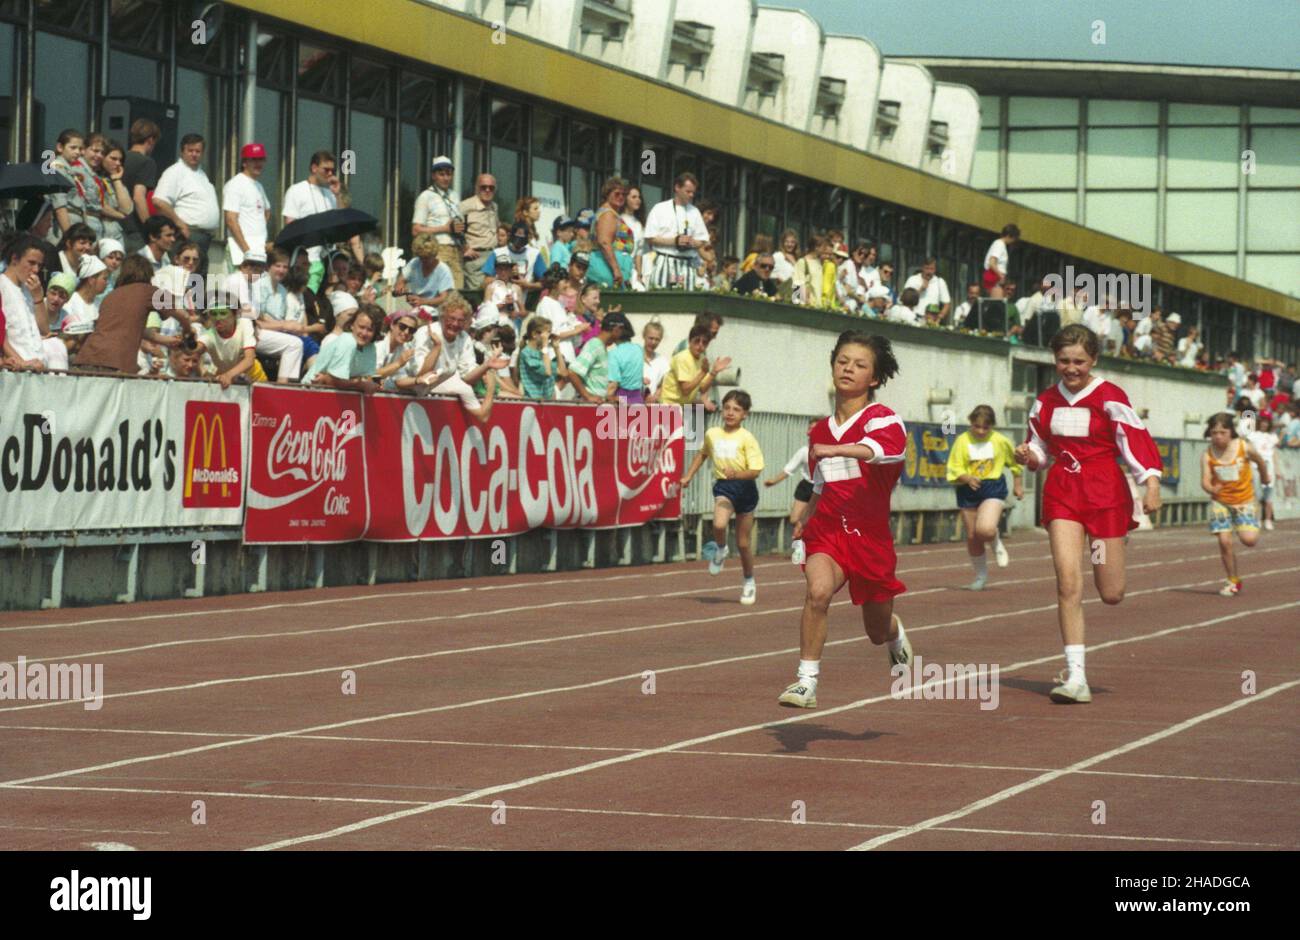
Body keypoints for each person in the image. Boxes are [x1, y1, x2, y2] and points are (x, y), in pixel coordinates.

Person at [1014, 324, 1163, 704]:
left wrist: (1151, 483)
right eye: (1064, 360)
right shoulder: (1045, 400)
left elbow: (1135, 441)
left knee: (1111, 592)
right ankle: (1075, 676)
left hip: (1105, 495)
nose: (1071, 368)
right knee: (1067, 583)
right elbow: (1040, 448)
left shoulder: (1110, 396)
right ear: (1055, 360)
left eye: (1079, 361)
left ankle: (1109, 544)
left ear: (1093, 359)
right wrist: (1029, 456)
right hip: (1063, 494)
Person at [777, 332, 912, 708]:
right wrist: (804, 517)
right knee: (817, 592)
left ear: (875, 378)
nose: (848, 369)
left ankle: (895, 634)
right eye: (842, 361)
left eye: (859, 365)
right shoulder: (819, 430)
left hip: (869, 538)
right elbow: (820, 481)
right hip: (830, 531)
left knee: (875, 629)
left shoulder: (883, 419)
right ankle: (806, 682)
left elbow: (883, 452)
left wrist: (838, 447)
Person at [681, 390, 765, 604]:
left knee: (744, 544)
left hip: (745, 489)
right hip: (724, 487)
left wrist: (737, 473)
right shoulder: (712, 433)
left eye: (736, 410)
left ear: (745, 414)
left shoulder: (747, 438)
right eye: (727, 408)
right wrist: (688, 476)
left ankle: (748, 582)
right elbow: (703, 454)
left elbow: (756, 470)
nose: (730, 413)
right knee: (719, 524)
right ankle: (720, 548)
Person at [946, 405, 1024, 590]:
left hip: (992, 487)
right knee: (973, 536)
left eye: (985, 427)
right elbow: (953, 467)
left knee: (985, 530)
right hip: (968, 489)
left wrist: (1018, 486)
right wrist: (966, 477)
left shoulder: (1000, 441)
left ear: (992, 426)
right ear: (971, 423)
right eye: (976, 426)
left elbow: (1014, 464)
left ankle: (995, 539)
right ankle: (980, 576)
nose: (980, 431)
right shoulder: (962, 441)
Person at [1202, 412, 1271, 596]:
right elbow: (1205, 480)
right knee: (1224, 541)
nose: (1218, 436)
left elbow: (1260, 461)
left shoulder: (1243, 447)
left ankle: (1252, 524)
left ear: (1231, 432)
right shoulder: (1208, 454)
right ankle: (1232, 579)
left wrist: (1265, 476)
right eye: (1214, 432)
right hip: (1221, 502)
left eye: (1222, 432)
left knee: (1249, 540)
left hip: (1244, 500)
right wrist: (1211, 489)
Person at [410, 293, 503, 421]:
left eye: (460, 321)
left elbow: (467, 377)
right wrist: (437, 348)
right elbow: (420, 376)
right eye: (451, 318)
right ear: (442, 317)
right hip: (413, 392)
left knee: (464, 388)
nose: (455, 324)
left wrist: (487, 365)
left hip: (438, 394)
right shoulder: (426, 333)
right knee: (463, 389)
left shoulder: (464, 338)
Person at [283, 150, 364, 292]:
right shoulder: (297, 190)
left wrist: (338, 194)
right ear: (314, 168)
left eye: (332, 171)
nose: (330, 174)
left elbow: (342, 222)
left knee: (322, 304)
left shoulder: (330, 195)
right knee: (305, 299)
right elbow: (290, 224)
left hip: (326, 260)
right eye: (326, 170)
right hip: (306, 259)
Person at [151, 134, 221, 278]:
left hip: (204, 238)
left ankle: (194, 302)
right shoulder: (175, 172)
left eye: (198, 151)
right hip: (186, 236)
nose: (194, 154)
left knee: (197, 283)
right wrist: (180, 224)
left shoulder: (201, 174)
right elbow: (159, 201)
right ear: (182, 151)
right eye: (190, 150)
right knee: (180, 280)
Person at [643, 172, 709, 289]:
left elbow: (703, 240)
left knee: (685, 301)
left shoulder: (695, 212)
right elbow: (650, 237)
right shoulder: (660, 208)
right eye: (688, 191)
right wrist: (675, 241)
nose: (691, 195)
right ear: (677, 187)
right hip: (665, 260)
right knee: (661, 298)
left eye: (693, 192)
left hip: (687, 263)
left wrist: (692, 242)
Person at [411, 155, 466, 287]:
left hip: (456, 250)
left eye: (449, 174)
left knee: (457, 291)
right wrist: (444, 229)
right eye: (441, 174)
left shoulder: (454, 195)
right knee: (438, 290)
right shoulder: (426, 196)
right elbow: (416, 230)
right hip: (437, 250)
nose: (446, 178)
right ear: (434, 176)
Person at [0, 235, 51, 370]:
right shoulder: (2, 285)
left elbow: (45, 330)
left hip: (37, 364)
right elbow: (1, 335)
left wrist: (38, 298)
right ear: (15, 258)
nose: (36, 270)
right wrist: (21, 363)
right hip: (15, 367)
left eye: (39, 265)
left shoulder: (30, 290)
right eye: (31, 263)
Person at [303, 305, 380, 393]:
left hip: (337, 395)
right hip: (310, 391)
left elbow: (362, 379)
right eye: (361, 327)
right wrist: (360, 384)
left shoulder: (371, 348)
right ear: (352, 325)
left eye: (370, 330)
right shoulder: (348, 341)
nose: (364, 333)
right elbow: (333, 380)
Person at [223, 142, 273, 269]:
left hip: (258, 249)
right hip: (240, 251)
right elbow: (230, 220)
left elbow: (267, 212)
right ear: (244, 162)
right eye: (254, 160)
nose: (258, 163)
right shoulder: (235, 184)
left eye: (261, 159)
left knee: (256, 287)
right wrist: (246, 250)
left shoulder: (258, 185)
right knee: (238, 287)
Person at [764, 416, 820, 527]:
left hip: (822, 489)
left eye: (814, 429)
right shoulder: (804, 451)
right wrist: (773, 481)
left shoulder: (830, 451)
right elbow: (789, 469)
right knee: (795, 519)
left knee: (817, 520)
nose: (809, 432)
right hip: (807, 486)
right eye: (809, 428)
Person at [660, 323, 730, 406]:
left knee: (699, 414)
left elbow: (703, 389)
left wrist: (713, 372)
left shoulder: (702, 358)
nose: (700, 345)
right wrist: (703, 373)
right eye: (697, 341)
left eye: (704, 342)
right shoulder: (682, 358)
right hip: (668, 404)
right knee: (697, 412)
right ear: (690, 341)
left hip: (684, 405)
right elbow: (685, 390)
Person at [567, 310, 630, 403]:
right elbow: (572, 372)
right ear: (616, 329)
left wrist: (610, 398)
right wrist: (587, 396)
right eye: (622, 331)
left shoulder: (602, 348)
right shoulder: (594, 345)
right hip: (589, 409)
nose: (622, 336)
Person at [120, 119, 161, 255]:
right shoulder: (147, 162)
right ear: (150, 140)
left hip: (116, 224)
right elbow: (139, 197)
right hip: (134, 229)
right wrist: (149, 228)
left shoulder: (119, 158)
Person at [198, 303, 263, 387]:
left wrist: (228, 375)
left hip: (255, 378)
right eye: (213, 314)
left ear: (235, 314)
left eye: (223, 313)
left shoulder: (245, 323)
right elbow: (194, 351)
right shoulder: (209, 334)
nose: (218, 318)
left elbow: (249, 360)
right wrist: (204, 372)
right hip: (225, 381)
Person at [589, 177, 635, 289]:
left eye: (623, 194)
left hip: (610, 265)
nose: (621, 197)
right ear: (607, 194)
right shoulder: (608, 214)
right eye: (617, 194)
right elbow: (604, 242)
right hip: (606, 268)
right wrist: (616, 269)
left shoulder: (610, 212)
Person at [458, 174, 500, 290]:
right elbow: (455, 231)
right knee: (478, 293)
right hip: (475, 257)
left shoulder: (494, 207)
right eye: (484, 187)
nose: (487, 190)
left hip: (493, 256)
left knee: (493, 293)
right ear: (476, 188)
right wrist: (465, 248)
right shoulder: (465, 206)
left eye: (491, 188)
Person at [395, 233, 455, 310]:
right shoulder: (414, 262)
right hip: (415, 309)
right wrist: (399, 286)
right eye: (421, 257)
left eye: (426, 258)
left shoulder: (443, 270)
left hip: (436, 311)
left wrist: (423, 301)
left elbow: (444, 298)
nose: (423, 261)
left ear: (434, 254)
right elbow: (401, 279)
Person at [518, 315, 568, 400]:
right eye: (547, 333)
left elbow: (563, 373)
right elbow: (547, 372)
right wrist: (545, 345)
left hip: (547, 400)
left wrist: (556, 348)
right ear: (534, 334)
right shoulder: (526, 353)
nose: (549, 337)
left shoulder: (543, 354)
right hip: (533, 400)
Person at [1246, 412, 1279, 531]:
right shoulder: (1253, 435)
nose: (1264, 423)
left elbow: (1274, 453)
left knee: (1269, 495)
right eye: (1263, 420)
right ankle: (1257, 519)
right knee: (1257, 494)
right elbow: (1249, 451)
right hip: (1256, 466)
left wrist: (1277, 469)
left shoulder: (1273, 436)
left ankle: (1268, 520)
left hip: (1268, 465)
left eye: (1267, 421)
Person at [604, 314, 644, 403]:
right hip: (638, 398)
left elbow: (613, 384)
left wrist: (607, 398)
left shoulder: (614, 353)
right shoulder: (639, 349)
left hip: (621, 399)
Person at [903, 258, 951, 322]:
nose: (929, 272)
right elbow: (905, 299)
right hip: (913, 317)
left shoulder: (940, 282)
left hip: (931, 320)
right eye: (927, 268)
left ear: (935, 270)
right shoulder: (913, 279)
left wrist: (939, 318)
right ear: (922, 268)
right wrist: (921, 289)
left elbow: (947, 304)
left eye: (932, 269)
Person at [621, 186, 648, 289]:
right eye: (634, 197)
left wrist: (639, 275)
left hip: (632, 270)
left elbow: (638, 253)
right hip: (619, 266)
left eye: (639, 197)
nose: (638, 200)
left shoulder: (639, 224)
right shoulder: (618, 219)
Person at [983, 223, 1019, 293]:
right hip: (994, 279)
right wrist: (1001, 276)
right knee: (996, 301)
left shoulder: (1001, 245)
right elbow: (992, 262)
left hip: (996, 279)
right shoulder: (999, 244)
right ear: (1009, 236)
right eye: (1014, 238)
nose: (1013, 241)